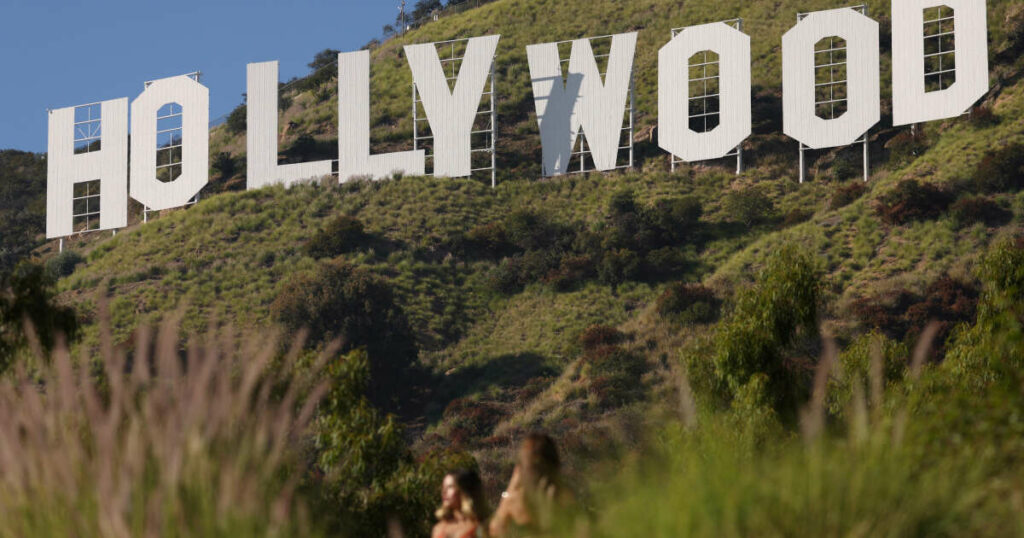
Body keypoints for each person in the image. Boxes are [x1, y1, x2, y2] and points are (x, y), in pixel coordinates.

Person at [488, 433, 574, 537]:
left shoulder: (514, 501)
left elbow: (495, 530)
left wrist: (510, 489)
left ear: (520, 469)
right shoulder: (564, 496)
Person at [433, 468, 490, 538]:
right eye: (443, 487)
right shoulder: (439, 528)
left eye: (450, 487)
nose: (444, 492)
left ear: (464, 491)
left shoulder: (479, 527)